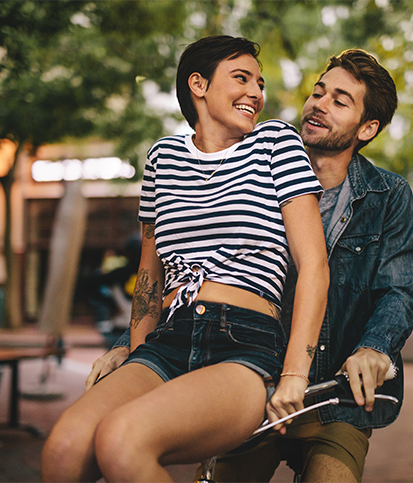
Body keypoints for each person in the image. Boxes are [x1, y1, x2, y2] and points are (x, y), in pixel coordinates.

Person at [88, 48, 413, 482]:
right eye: (318, 93)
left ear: (368, 127)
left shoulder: (388, 196)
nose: (318, 104)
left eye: (339, 101)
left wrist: (374, 348)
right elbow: (194, 268)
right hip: (253, 381)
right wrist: (128, 345)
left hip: (332, 398)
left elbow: (399, 291)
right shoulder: (255, 167)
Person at [41, 35, 329, 482]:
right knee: (63, 451)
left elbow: (314, 265)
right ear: (198, 84)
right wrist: (136, 357)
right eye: (241, 78)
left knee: (122, 441)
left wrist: (295, 373)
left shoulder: (276, 142)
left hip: (243, 343)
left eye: (260, 82)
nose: (256, 92)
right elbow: (149, 275)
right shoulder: (163, 157)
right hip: (169, 340)